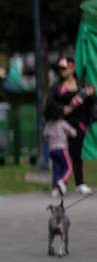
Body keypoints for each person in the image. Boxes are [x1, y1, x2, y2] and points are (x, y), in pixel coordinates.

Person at [46, 56, 95, 194]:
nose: (61, 70)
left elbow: (91, 104)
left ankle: (80, 183)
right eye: (59, 68)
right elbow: (49, 106)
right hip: (62, 126)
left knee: (77, 154)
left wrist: (90, 96)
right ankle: (59, 185)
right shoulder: (56, 87)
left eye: (64, 68)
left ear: (72, 68)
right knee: (61, 156)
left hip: (79, 125)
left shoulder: (81, 85)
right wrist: (62, 110)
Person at [44, 101, 77, 197]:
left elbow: (45, 134)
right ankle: (62, 181)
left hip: (52, 150)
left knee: (56, 169)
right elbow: (73, 132)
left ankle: (55, 189)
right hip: (62, 149)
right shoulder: (62, 123)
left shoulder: (48, 124)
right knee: (68, 167)